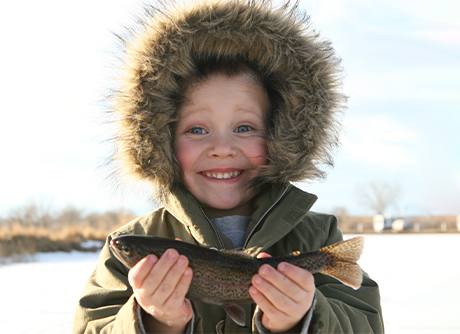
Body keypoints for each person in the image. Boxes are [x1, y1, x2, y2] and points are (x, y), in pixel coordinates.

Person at [72, 1, 384, 333]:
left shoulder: (318, 237)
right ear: (162, 141)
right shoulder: (130, 243)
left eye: (244, 128)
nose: (222, 149)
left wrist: (302, 320)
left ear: (281, 136)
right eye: (197, 130)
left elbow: (363, 324)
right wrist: (154, 322)